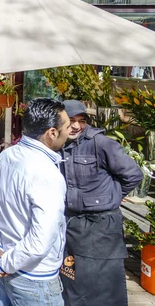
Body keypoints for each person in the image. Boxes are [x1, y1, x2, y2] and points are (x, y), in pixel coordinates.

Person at [0, 98, 71, 305]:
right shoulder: (46, 173)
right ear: (52, 133)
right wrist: (2, 262)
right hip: (34, 277)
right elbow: (40, 240)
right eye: (67, 126)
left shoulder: (5, 156)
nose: (70, 131)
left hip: (8, 262)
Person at [59, 100, 143, 305]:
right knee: (73, 281)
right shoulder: (58, 145)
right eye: (71, 120)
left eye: (82, 121)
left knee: (105, 285)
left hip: (102, 226)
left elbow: (133, 175)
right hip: (73, 226)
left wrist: (113, 196)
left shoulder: (102, 143)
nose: (77, 126)